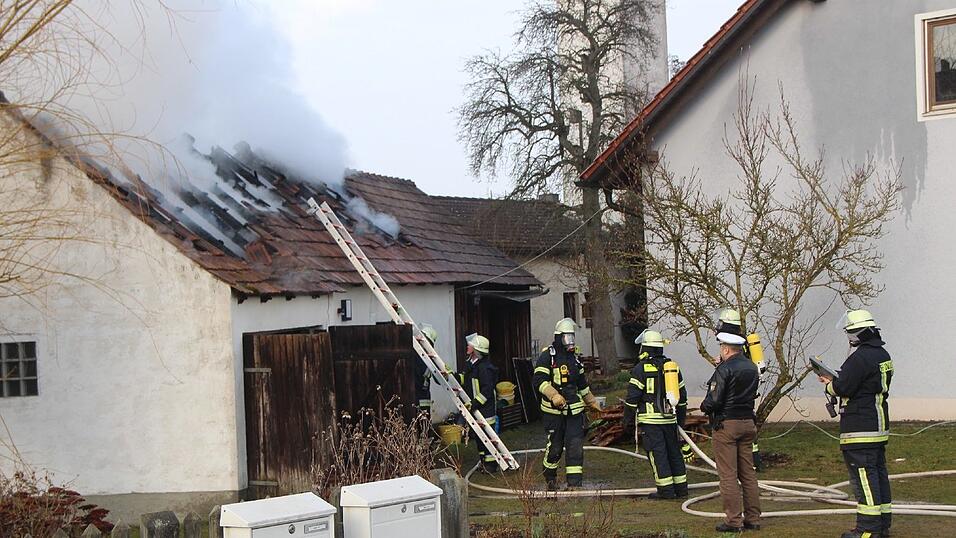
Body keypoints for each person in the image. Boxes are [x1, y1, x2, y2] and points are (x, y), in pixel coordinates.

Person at [818, 310, 893, 538]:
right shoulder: (882, 354)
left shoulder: (860, 357)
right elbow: (863, 382)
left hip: (860, 428)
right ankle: (882, 525)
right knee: (878, 475)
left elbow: (844, 387)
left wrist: (830, 384)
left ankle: (868, 530)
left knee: (865, 479)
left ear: (856, 334)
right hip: (877, 425)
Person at [701, 331, 761, 533]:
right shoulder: (752, 367)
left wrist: (704, 406)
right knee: (748, 474)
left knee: (728, 475)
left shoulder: (724, 369)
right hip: (748, 422)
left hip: (727, 424)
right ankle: (753, 518)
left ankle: (733, 521)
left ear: (726, 349)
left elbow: (714, 400)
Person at [532, 318, 601, 490]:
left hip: (574, 411)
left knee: (575, 446)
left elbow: (582, 385)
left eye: (572, 337)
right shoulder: (547, 356)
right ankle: (550, 478)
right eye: (567, 337)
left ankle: (574, 483)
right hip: (553, 412)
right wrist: (553, 395)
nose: (570, 341)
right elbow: (538, 380)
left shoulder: (575, 360)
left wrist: (592, 402)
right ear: (558, 337)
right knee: (555, 447)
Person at [622, 329, 689, 499]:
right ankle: (681, 488)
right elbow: (682, 398)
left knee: (658, 454)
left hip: (651, 422)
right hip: (670, 420)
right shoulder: (672, 367)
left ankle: (666, 491)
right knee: (674, 452)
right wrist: (680, 422)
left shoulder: (640, 369)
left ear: (645, 348)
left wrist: (626, 421)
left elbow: (632, 399)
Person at [715, 308, 764, 472]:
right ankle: (752, 465)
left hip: (735, 400)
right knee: (748, 436)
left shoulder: (735, 343)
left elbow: (734, 368)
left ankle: (751, 464)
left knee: (742, 442)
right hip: (746, 399)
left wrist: (722, 365)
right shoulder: (741, 341)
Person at [461, 333, 499, 472]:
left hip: (485, 408)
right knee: (478, 436)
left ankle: (491, 465)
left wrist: (475, 403)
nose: (467, 346)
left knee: (487, 437)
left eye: (470, 345)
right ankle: (483, 462)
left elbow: (487, 390)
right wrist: (452, 375)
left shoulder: (484, 368)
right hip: (476, 408)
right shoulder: (472, 364)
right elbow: (465, 379)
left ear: (476, 350)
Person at [413, 324, 439, 415]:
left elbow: (438, 379)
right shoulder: (417, 353)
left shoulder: (429, 358)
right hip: (416, 395)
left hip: (421, 396)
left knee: (423, 424)